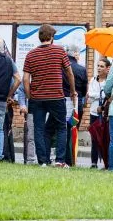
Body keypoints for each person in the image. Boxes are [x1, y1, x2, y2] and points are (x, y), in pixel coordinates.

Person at [22, 24, 77, 167]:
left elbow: (25, 79)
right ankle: (59, 160)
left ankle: (43, 161)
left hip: (37, 98)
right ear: (52, 37)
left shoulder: (31, 54)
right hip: (56, 96)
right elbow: (69, 73)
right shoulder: (59, 51)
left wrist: (29, 96)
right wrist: (72, 91)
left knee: (39, 129)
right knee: (61, 127)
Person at [64, 44, 88, 166]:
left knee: (63, 130)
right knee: (74, 130)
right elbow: (84, 90)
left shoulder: (61, 67)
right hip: (76, 104)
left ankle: (64, 158)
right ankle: (72, 159)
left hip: (63, 101)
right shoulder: (81, 69)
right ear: (75, 54)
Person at [87, 59, 112, 169]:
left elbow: (109, 95)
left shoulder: (109, 81)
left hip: (105, 114)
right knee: (94, 138)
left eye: (102, 66)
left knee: (106, 138)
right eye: (98, 66)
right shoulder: (93, 79)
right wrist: (100, 94)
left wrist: (97, 96)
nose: (99, 68)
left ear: (107, 68)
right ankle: (94, 162)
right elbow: (89, 94)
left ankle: (106, 162)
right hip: (93, 112)